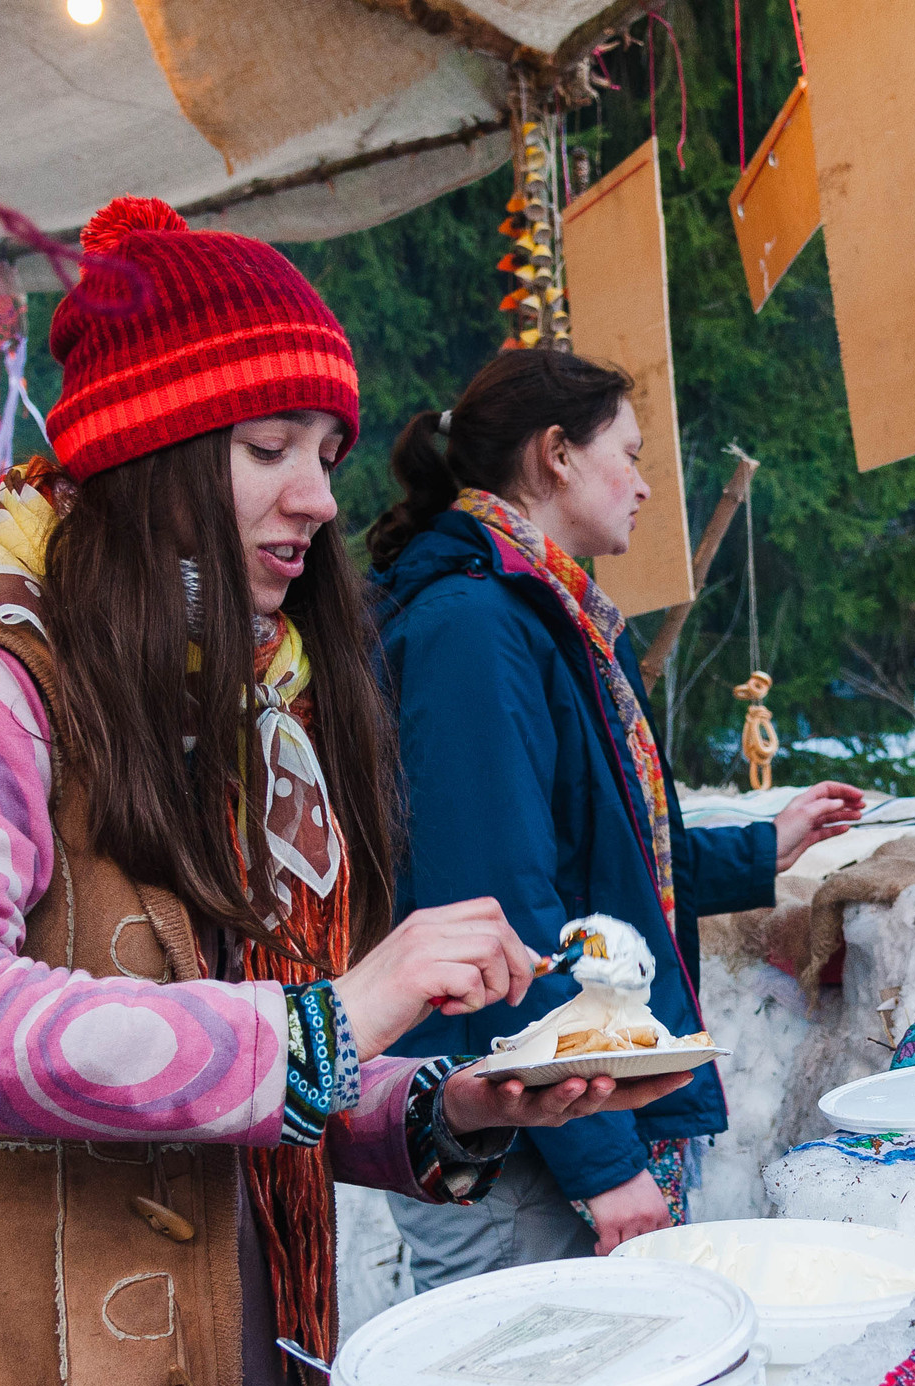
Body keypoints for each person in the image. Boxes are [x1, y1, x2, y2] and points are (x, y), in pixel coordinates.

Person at [0, 197, 685, 1386]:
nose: (316, 497)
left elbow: (241, 1056)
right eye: (265, 453)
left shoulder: (230, 709)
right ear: (146, 460)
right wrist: (328, 1023)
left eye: (323, 453)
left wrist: (439, 1111)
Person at [369, 349, 862, 1284]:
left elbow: (603, 851)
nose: (642, 485)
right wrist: (606, 1163)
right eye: (628, 455)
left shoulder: (542, 609)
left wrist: (767, 846)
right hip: (518, 1138)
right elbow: (498, 909)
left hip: (556, 1106)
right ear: (556, 454)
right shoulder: (474, 626)